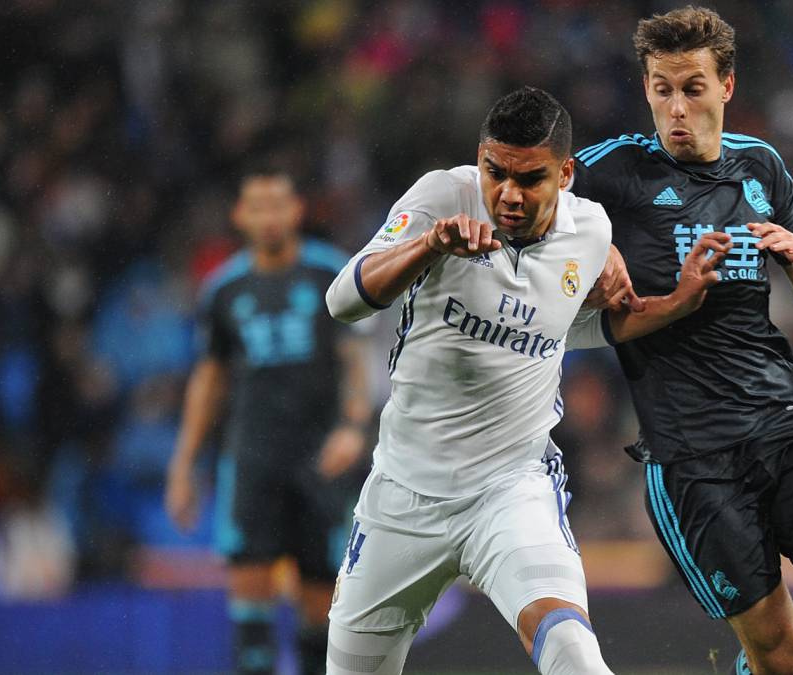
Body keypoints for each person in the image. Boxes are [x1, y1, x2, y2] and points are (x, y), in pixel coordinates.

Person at [322, 86, 730, 675]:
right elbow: (342, 301)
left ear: (564, 174)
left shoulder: (590, 231)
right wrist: (428, 247)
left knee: (573, 653)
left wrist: (674, 306)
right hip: (403, 495)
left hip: (510, 490)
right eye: (496, 172)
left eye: (530, 178)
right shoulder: (443, 196)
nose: (509, 194)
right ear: (480, 159)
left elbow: (566, 328)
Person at [569, 7, 793, 675]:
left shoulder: (760, 166)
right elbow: (523, 199)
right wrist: (591, 248)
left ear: (726, 86)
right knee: (783, 653)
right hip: (693, 457)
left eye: (693, 88)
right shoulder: (607, 174)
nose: (676, 107)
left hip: (786, 423)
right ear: (646, 87)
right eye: (661, 89)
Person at [165, 170, 373, 675]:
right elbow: (209, 379)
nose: (269, 217)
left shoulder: (330, 273)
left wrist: (353, 427)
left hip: (322, 461)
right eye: (257, 206)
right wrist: (183, 464)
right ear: (240, 216)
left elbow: (356, 360)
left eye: (278, 204)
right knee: (251, 617)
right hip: (252, 458)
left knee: (321, 617)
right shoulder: (223, 289)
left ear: (296, 210)